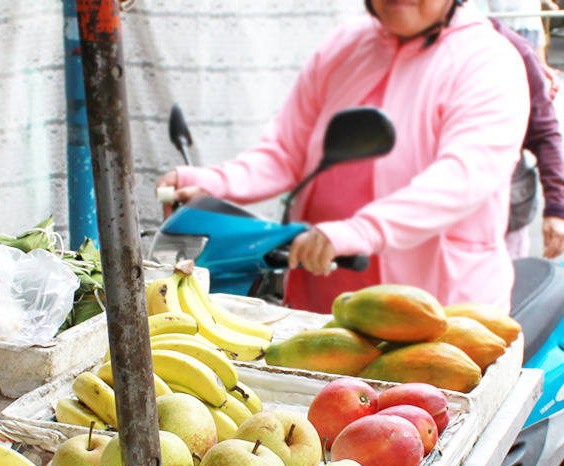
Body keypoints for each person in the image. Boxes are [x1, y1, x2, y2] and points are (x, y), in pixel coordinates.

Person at [156, 0, 530, 313]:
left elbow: (461, 179)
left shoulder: (487, 61)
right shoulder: (346, 45)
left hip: (438, 303)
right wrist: (213, 183)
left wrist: (358, 231)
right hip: (325, 281)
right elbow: (288, 151)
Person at [492, 16, 564, 260]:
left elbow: (545, 132)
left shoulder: (508, 46)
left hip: (500, 217)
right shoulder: (377, 46)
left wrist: (556, 208)